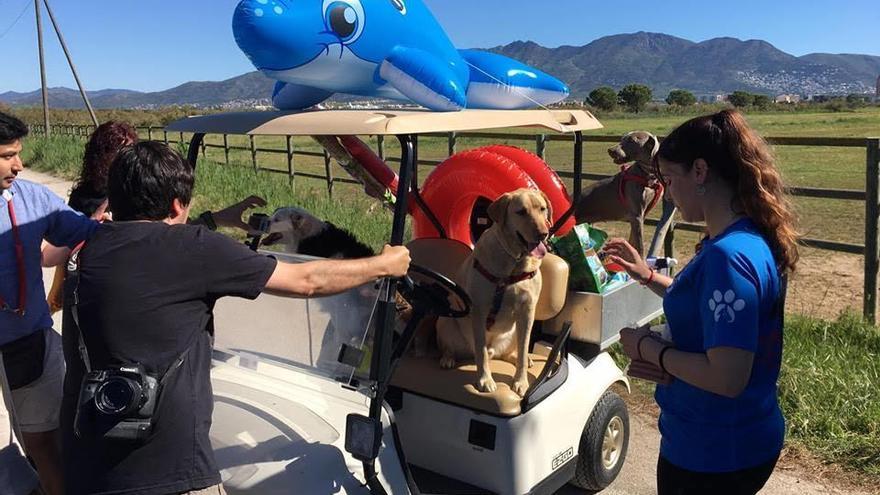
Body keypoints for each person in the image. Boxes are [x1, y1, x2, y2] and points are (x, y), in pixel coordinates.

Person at [60, 140, 411, 495]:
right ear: (177, 204)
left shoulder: (85, 250)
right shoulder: (194, 249)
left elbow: (148, 245)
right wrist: (384, 265)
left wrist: (218, 219)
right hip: (169, 470)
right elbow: (306, 281)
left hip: (86, 461)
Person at [602, 109, 798, 495]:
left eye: (670, 180)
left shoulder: (728, 256)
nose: (668, 192)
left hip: (712, 452)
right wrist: (647, 275)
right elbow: (705, 301)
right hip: (741, 439)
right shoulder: (745, 236)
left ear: (700, 172)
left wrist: (649, 350)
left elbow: (726, 377)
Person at [46, 121, 268, 313]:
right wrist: (94, 222)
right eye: (122, 154)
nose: (131, 161)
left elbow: (168, 233)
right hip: (105, 293)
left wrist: (217, 219)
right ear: (101, 157)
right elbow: (54, 254)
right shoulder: (87, 197)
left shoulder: (136, 189)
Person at [1, 110, 99, 495]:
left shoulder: (32, 198)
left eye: (18, 153)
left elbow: (91, 234)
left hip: (30, 343)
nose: (19, 165)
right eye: (8, 155)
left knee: (46, 444)